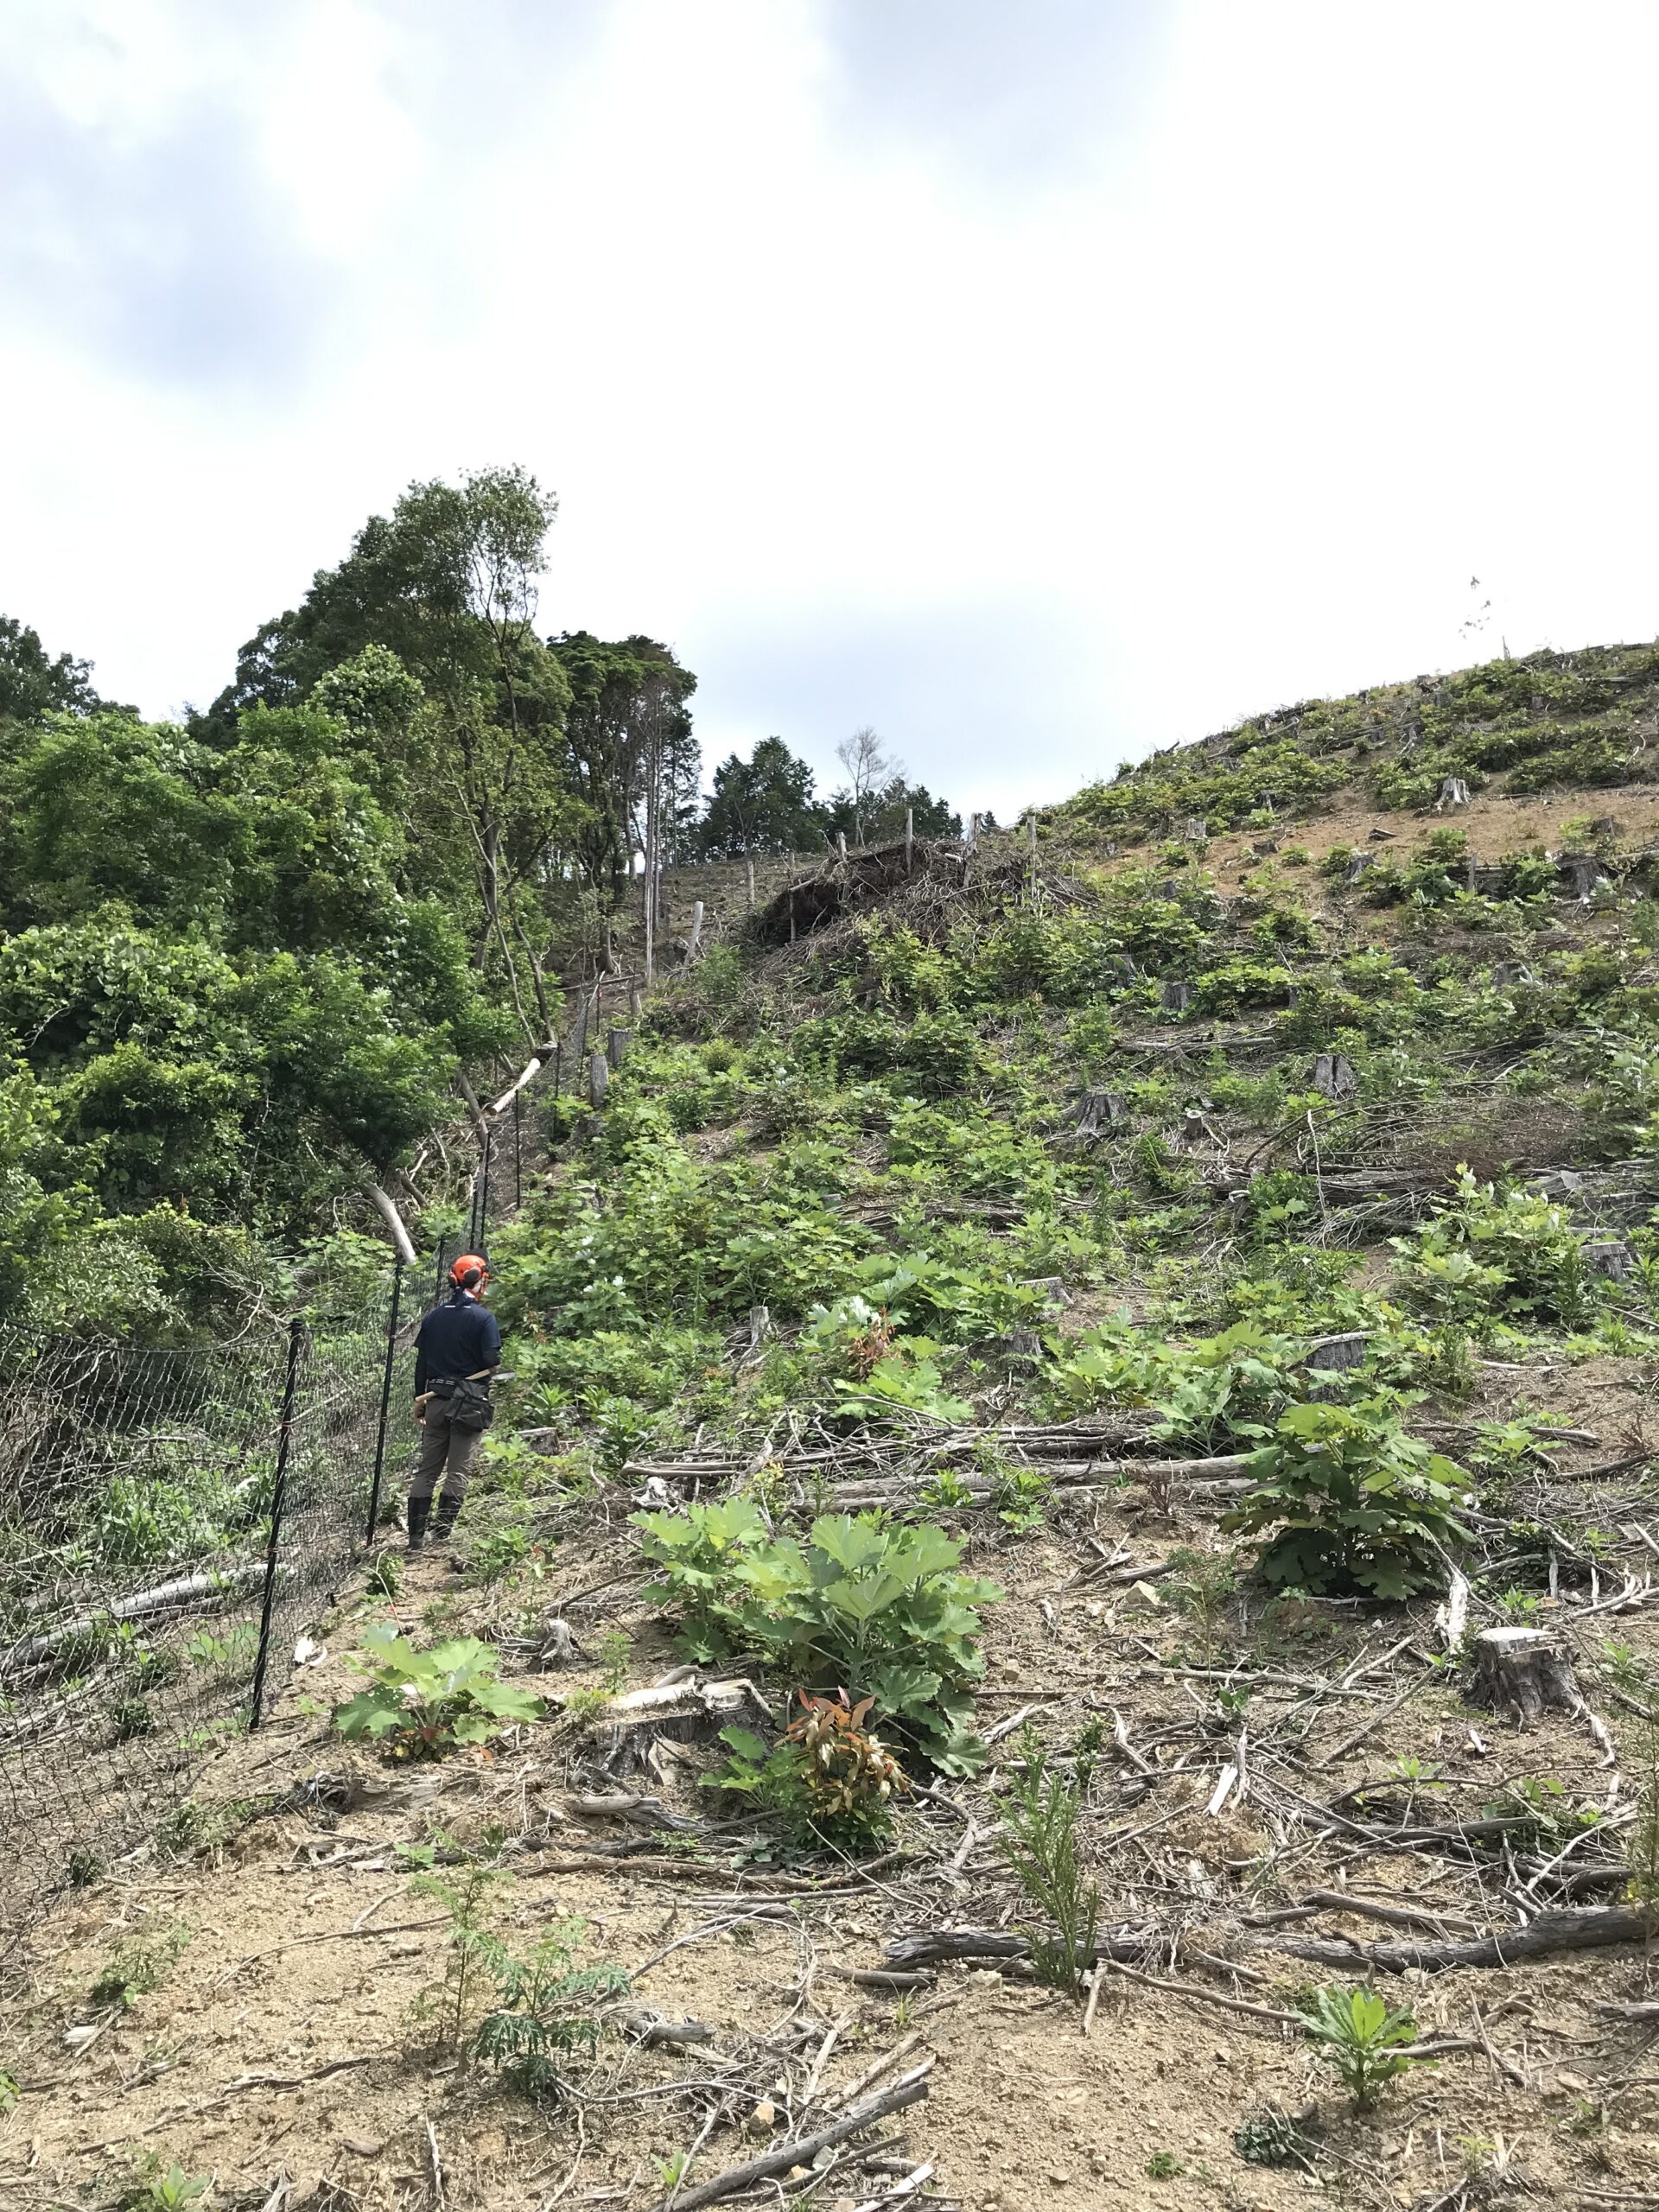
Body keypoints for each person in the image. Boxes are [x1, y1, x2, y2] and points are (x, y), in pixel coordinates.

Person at [407, 1252, 502, 1552]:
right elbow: (491, 1360)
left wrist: (418, 1399)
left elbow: (421, 1364)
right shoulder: (483, 1318)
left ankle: (415, 1538)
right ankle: (442, 1536)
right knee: (458, 1469)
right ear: (478, 1281)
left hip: (435, 1399)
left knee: (427, 1470)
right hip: (469, 1403)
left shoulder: (434, 1317)